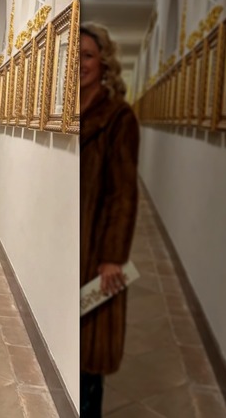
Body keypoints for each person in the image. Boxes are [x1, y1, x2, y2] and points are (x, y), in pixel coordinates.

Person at [79, 22, 140, 417]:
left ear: (104, 63)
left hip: (95, 250)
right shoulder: (64, 110)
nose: (79, 64)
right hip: (64, 246)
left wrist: (113, 256)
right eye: (74, 56)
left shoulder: (118, 117)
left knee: (87, 362)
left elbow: (123, 193)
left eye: (87, 56)